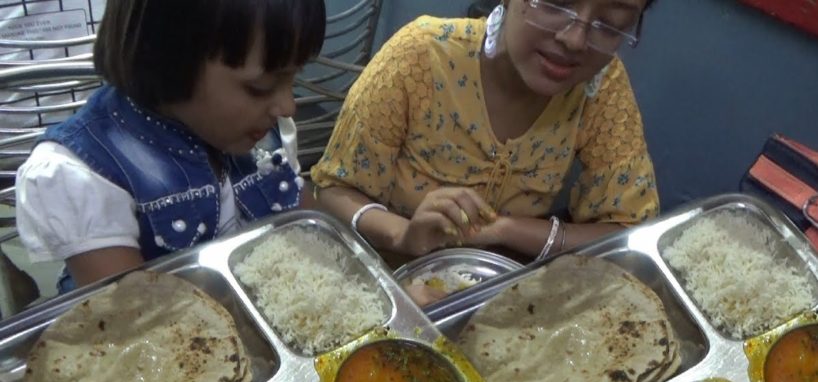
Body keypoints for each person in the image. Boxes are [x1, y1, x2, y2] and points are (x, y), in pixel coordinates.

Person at [311, 0, 659, 272]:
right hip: (382, 278)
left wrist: (506, 230)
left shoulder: (601, 87)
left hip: (497, 292)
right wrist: (402, 235)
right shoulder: (420, 58)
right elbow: (332, 190)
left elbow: (628, 231)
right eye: (555, 3)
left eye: (611, 23)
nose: (575, 39)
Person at [15, 0, 326, 292]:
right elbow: (140, 322)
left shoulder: (255, 125)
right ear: (168, 57)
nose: (288, 106)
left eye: (293, 79)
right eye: (262, 87)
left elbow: (314, 231)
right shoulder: (82, 177)